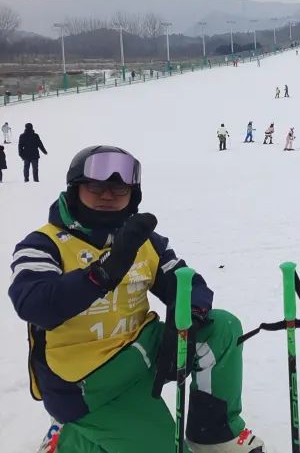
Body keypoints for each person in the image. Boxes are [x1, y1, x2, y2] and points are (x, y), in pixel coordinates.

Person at [8, 146, 266, 452]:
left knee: (221, 327)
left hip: (142, 350)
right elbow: (34, 304)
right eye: (96, 186)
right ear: (76, 188)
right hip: (86, 381)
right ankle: (67, 437)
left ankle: (214, 435)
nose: (108, 195)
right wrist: (101, 273)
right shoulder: (43, 245)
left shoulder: (141, 240)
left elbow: (188, 282)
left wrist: (189, 315)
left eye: (119, 188)